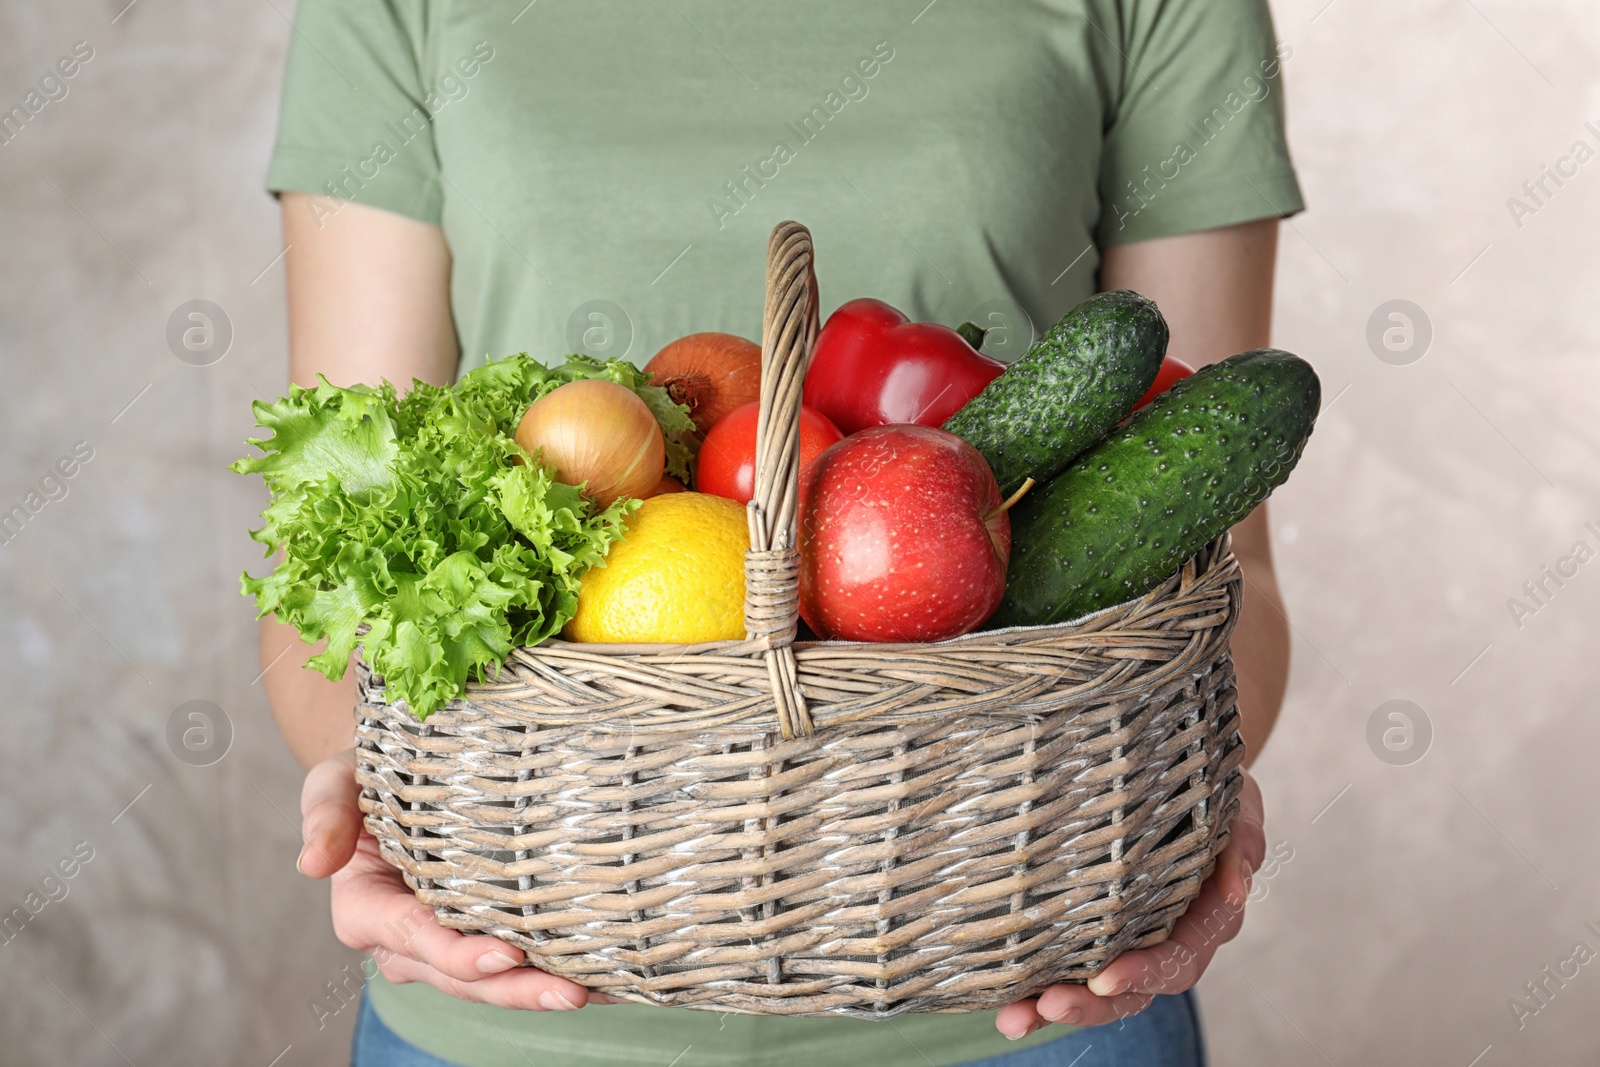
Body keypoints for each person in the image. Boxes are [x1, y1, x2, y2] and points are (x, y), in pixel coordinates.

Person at [261, 2, 1302, 1064]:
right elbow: (339, 551)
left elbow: (1226, 569)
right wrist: (364, 783)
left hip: (1019, 1000)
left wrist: (1191, 795)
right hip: (511, 999)